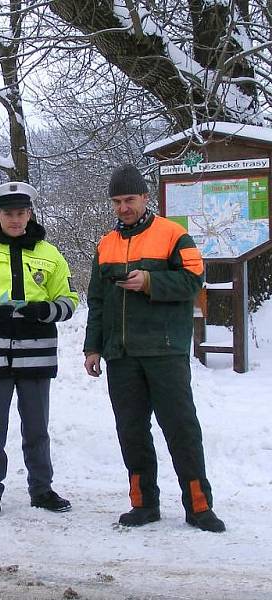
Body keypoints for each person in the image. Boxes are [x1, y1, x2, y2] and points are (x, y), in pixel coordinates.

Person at [83, 164, 225, 533]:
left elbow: (194, 280)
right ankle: (143, 504)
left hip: (165, 351)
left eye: (129, 199)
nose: (123, 208)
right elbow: (96, 301)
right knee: (131, 431)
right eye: (116, 202)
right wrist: (92, 348)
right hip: (122, 355)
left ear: (145, 198)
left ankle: (199, 507)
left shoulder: (174, 235)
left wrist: (149, 281)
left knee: (181, 429)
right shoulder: (106, 243)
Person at [0, 181, 79, 518]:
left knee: (37, 429)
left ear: (30, 213)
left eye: (21, 213)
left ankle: (42, 489)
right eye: (9, 213)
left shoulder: (49, 254)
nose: (16, 219)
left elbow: (69, 301)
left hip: (36, 357)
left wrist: (45, 310)